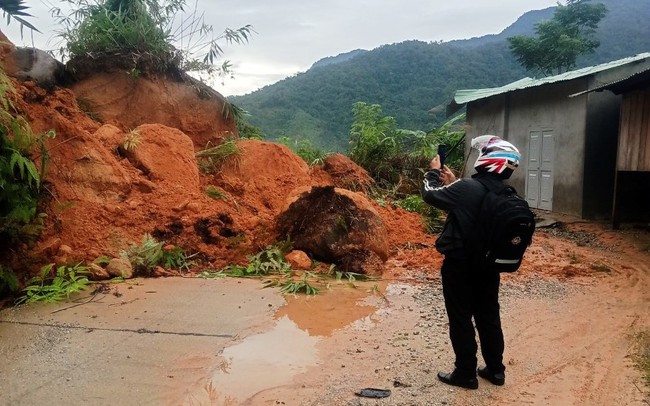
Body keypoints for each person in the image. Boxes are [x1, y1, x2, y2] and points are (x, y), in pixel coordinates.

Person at [420, 135, 521, 389]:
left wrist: (432, 173)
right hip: (489, 265)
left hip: (460, 264)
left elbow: (430, 195)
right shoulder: (506, 192)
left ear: (487, 160)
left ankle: (465, 372)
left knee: (461, 316)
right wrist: (454, 183)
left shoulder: (467, 188)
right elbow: (473, 209)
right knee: (488, 315)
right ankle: (496, 371)